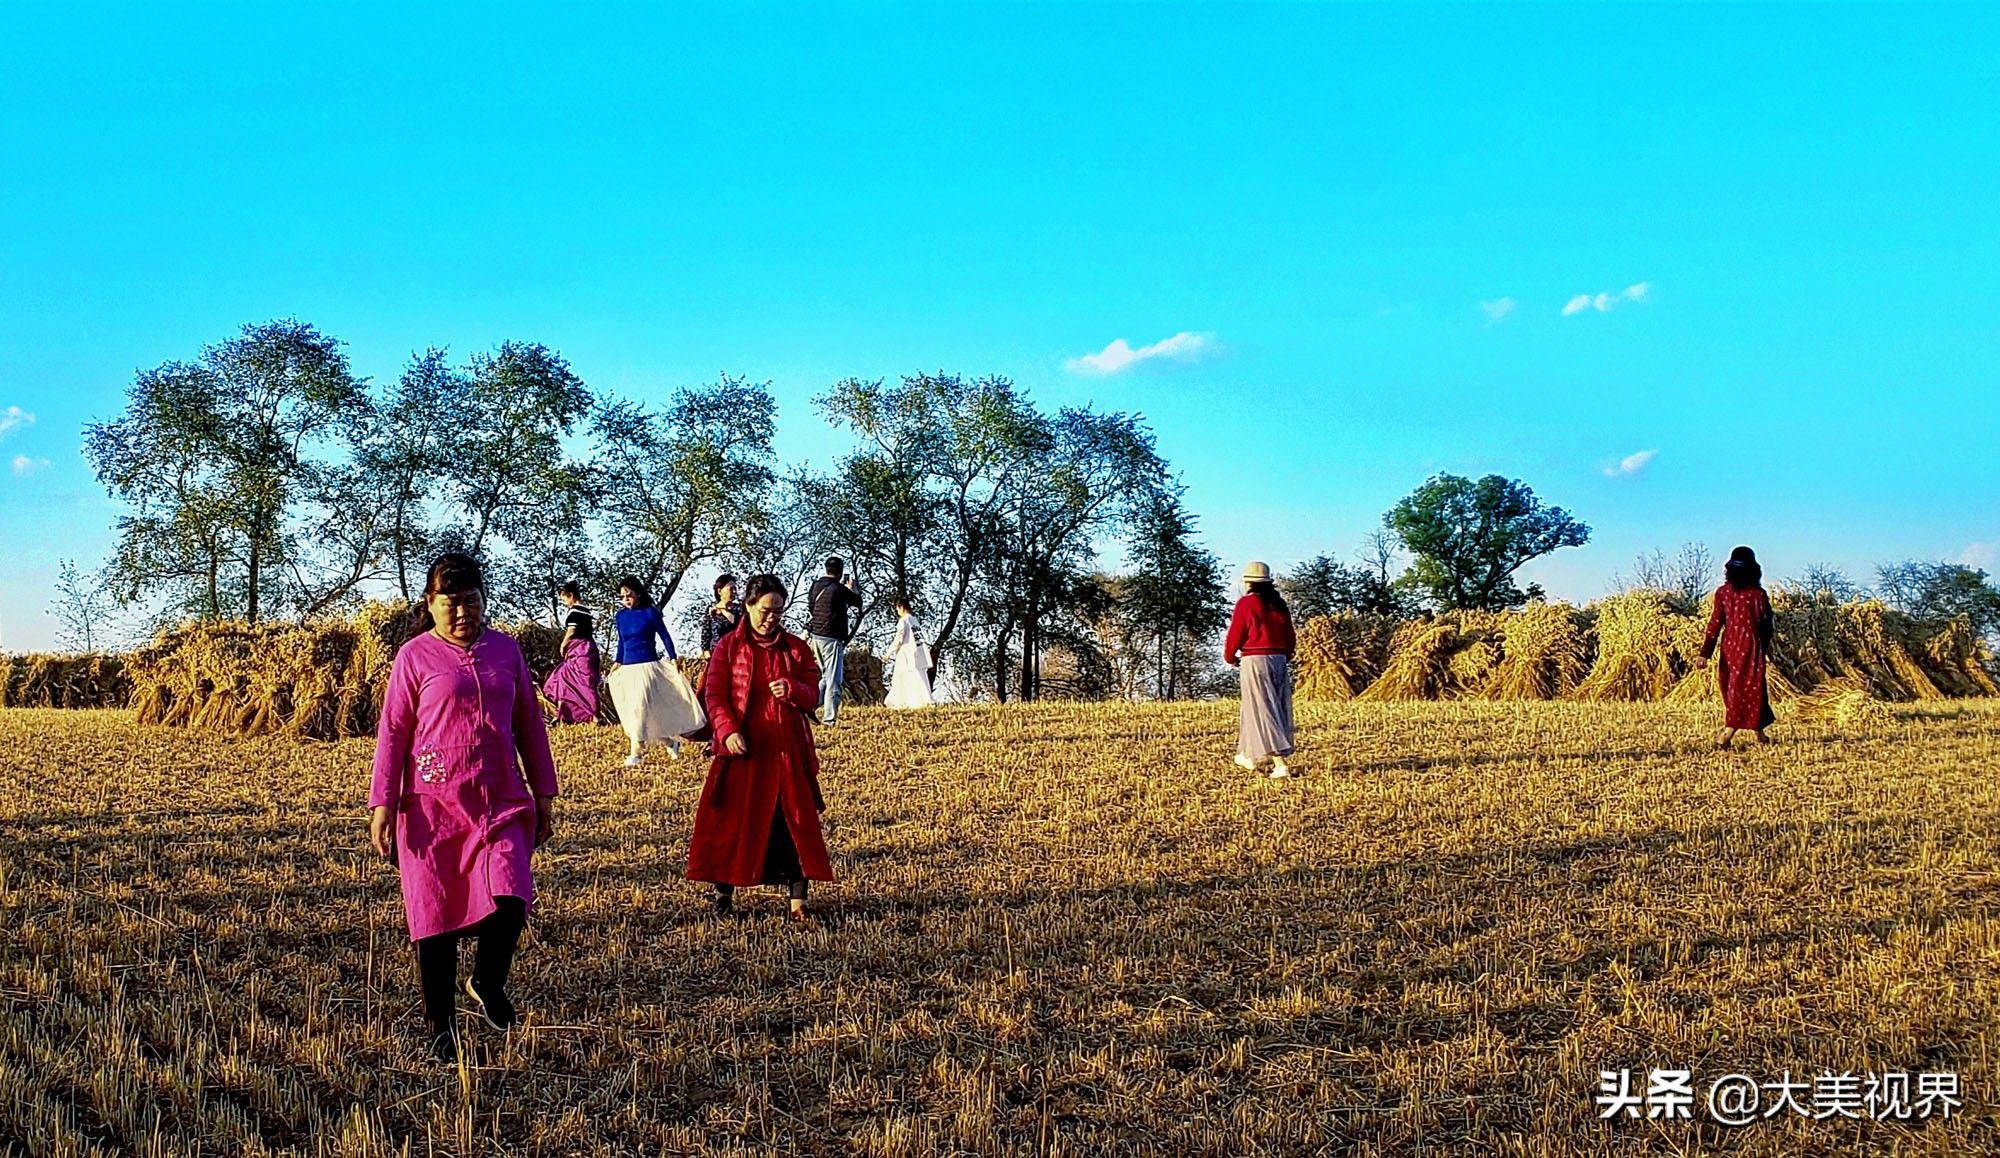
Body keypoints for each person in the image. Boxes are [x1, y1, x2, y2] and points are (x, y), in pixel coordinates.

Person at [368, 553, 558, 1063]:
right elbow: (393, 733)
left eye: (471, 602)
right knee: (437, 919)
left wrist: (544, 793)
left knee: (514, 895)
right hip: (431, 808)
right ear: (430, 606)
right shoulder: (413, 657)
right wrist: (381, 804)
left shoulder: (505, 651)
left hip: (500, 800)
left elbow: (530, 726)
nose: (462, 614)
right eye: (450, 604)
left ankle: (488, 980)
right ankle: (440, 1028)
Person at [686, 573, 835, 921]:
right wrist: (726, 732)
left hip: (786, 751)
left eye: (779, 611)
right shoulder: (728, 648)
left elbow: (815, 693)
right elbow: (715, 695)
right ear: (749, 606)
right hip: (742, 750)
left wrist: (794, 689)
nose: (772, 618)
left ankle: (798, 903)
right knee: (730, 823)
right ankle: (723, 899)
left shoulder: (797, 648)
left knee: (793, 822)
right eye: (765, 610)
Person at [605, 575, 705, 766]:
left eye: (629, 595)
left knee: (640, 707)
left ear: (638, 594)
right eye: (622, 597)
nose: (626, 600)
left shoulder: (650, 613)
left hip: (648, 667)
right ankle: (669, 741)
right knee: (637, 710)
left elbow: (665, 636)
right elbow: (621, 641)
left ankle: (636, 752)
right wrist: (617, 661)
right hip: (628, 668)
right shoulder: (620, 616)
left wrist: (674, 657)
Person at [1223, 561, 1297, 778]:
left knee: (1262, 709)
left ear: (1249, 582)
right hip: (1279, 659)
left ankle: (1279, 763)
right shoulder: (1279, 604)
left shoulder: (1246, 604)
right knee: (1263, 706)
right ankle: (1248, 754)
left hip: (1255, 659)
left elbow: (1236, 633)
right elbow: (1290, 635)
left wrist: (1230, 656)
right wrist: (1285, 656)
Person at [1699, 545, 1777, 748]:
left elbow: (1715, 622)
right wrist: (1764, 647)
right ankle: (1726, 735)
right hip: (1751, 646)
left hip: (1729, 646)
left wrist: (1705, 653)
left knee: (1738, 688)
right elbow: (1766, 624)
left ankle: (1758, 734)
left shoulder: (1723, 593)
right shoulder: (1758, 595)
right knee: (1750, 687)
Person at [804, 556, 863, 725]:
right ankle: (830, 719)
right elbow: (857, 602)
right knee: (834, 680)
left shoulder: (815, 586)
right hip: (832, 637)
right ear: (840, 571)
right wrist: (852, 588)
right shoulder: (839, 589)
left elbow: (811, 606)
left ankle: (810, 705)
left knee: (825, 677)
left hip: (816, 635)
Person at [540, 581, 600, 724]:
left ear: (571, 595)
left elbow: (571, 631)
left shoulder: (575, 611)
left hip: (579, 651)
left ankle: (593, 715)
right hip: (587, 649)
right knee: (565, 679)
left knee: (581, 683)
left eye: (564, 599)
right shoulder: (586, 611)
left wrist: (563, 644)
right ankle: (563, 713)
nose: (564, 603)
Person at [883, 595, 934, 709]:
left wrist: (888, 653)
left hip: (906, 653)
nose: (897, 612)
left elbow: (899, 639)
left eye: (897, 609)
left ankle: (903, 702)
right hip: (918, 652)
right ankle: (923, 700)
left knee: (902, 677)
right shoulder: (914, 620)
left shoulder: (903, 621)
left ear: (900, 607)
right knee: (919, 676)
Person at [700, 573, 746, 655]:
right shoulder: (710, 610)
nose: (734, 592)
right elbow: (705, 633)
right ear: (719, 591)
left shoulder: (739, 609)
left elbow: (738, 625)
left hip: (735, 653)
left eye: (735, 589)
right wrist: (706, 651)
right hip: (715, 654)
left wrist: (722, 611)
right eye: (731, 589)